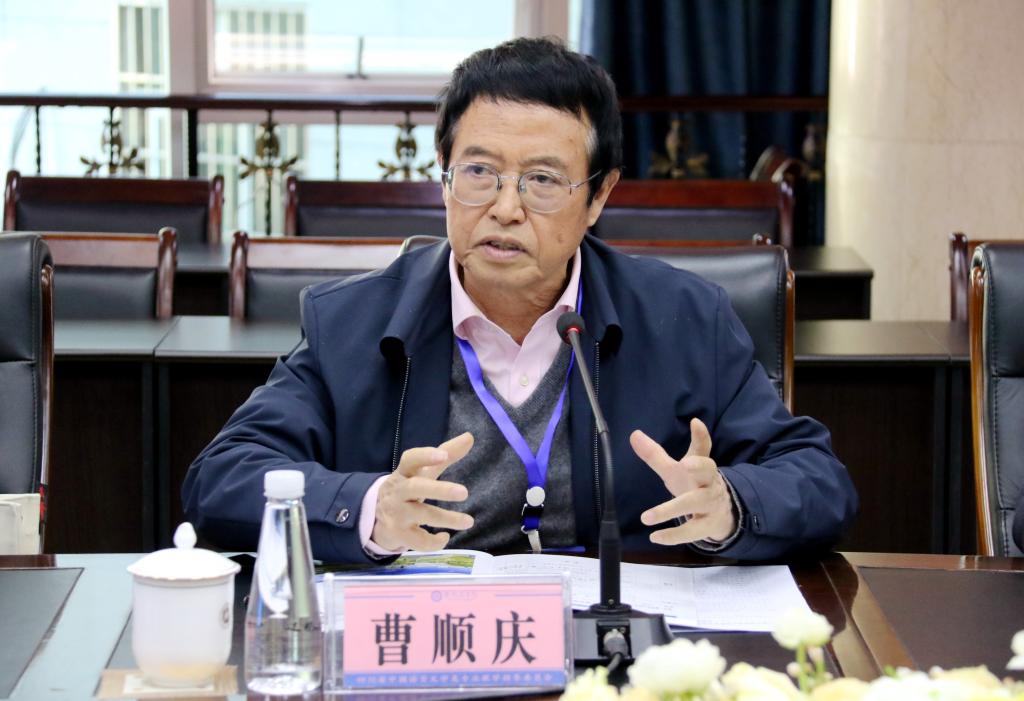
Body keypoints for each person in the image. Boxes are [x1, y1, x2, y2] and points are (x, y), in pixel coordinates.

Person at [182, 37, 857, 564]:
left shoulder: (685, 318)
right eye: (479, 172)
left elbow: (820, 480)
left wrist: (731, 504)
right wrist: (367, 506)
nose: (505, 208)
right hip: (431, 643)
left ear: (598, 196)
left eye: (542, 180)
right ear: (443, 178)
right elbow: (222, 479)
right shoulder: (350, 323)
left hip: (614, 649)